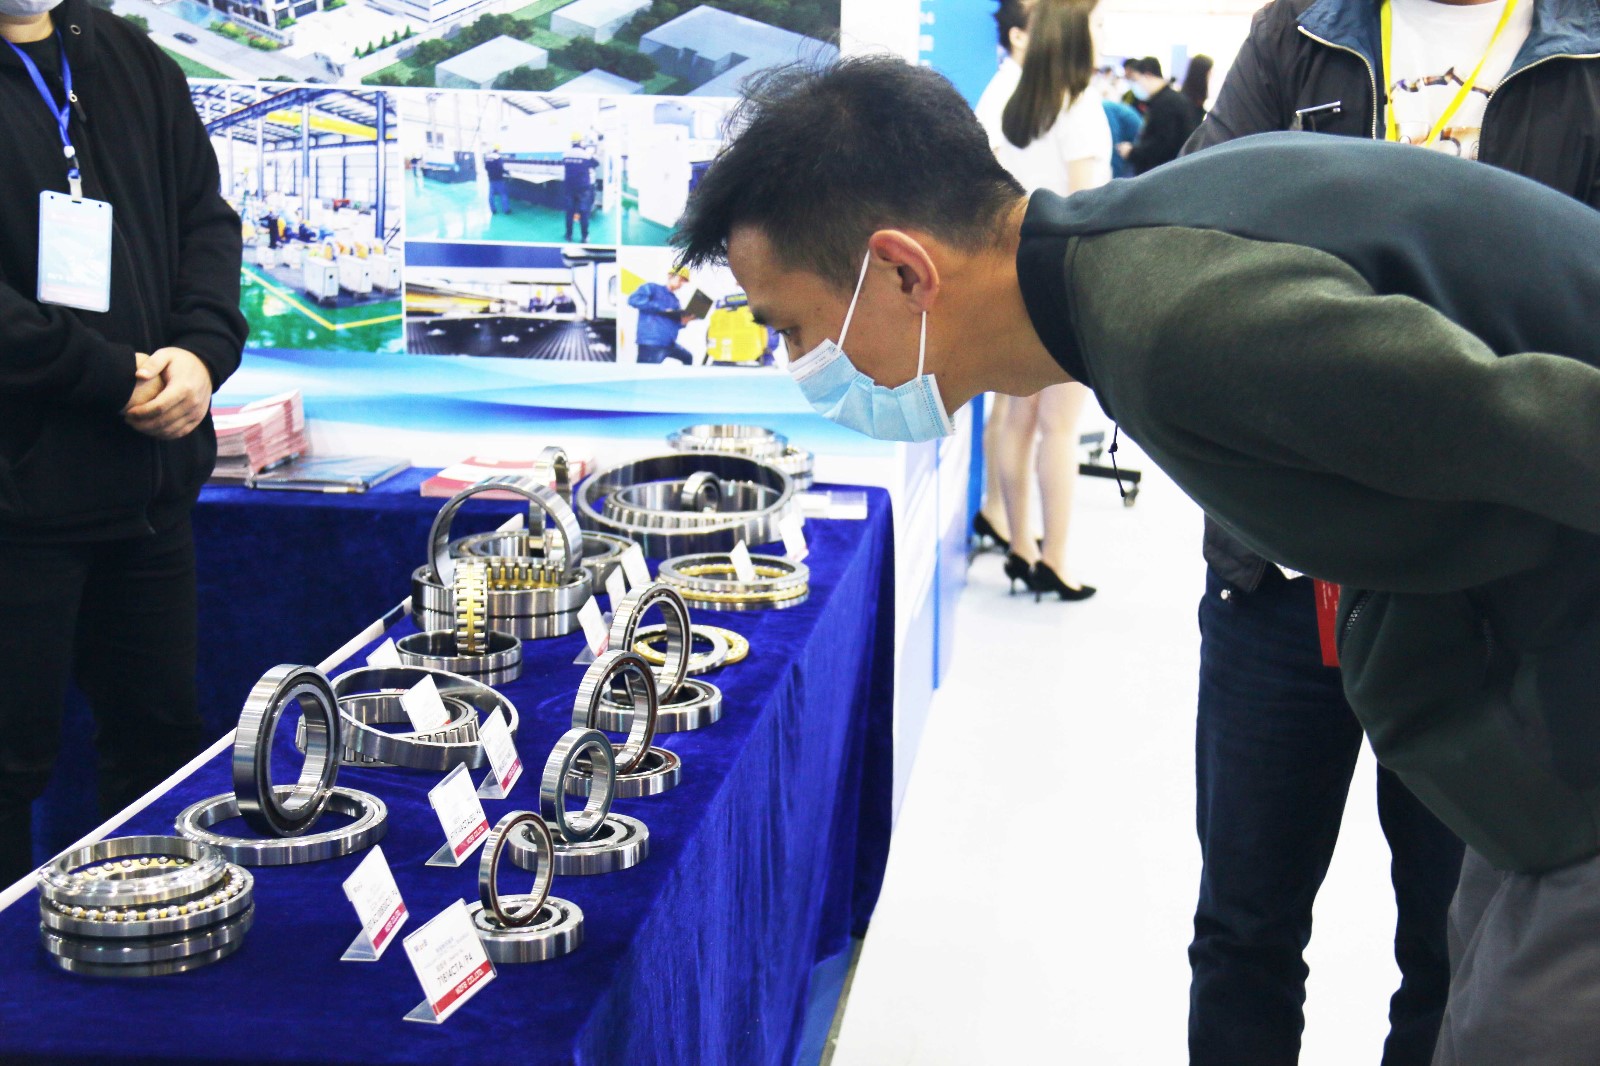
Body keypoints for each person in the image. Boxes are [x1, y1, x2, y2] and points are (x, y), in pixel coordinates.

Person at [674, 55, 1600, 1066]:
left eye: (793, 330)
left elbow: (1543, 425)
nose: (800, 367)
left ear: (904, 272)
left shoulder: (1177, 327)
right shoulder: (1129, 264)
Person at [1178, 1, 1600, 1063]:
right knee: (1241, 929)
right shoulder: (1305, 31)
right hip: (1280, 574)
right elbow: (1185, 221)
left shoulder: (1584, 50)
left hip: (1489, 594)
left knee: (1457, 945)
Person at [0, 0, 246, 883]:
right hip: (15, 508)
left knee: (160, 755)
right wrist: (110, 375)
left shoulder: (126, 57)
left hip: (145, 496)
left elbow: (205, 221)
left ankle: (150, 950)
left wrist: (201, 353)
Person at [988, 0, 1108, 600]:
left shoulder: (1012, 103)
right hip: (1063, 280)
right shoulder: (1077, 106)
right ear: (1076, 33)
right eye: (1097, 22)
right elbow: (1085, 208)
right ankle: (1055, 558)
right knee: (1059, 429)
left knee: (1017, 420)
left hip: (1012, 276)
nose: (1102, 32)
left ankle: (1020, 545)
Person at [970, 0, 1030, 554]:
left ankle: (998, 513)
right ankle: (1010, 527)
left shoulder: (1011, 90)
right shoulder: (1009, 93)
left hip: (1010, 260)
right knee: (1016, 410)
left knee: (1009, 408)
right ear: (1017, 36)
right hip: (1014, 263)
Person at [1116, 56, 1202, 172]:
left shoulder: (1166, 103)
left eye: (1136, 80)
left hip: (1168, 171)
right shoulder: (1167, 99)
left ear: (1148, 75)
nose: (1135, 85)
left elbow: (1162, 145)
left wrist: (1133, 153)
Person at [629, 265, 694, 365]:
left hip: (669, 343)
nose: (681, 284)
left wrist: (684, 322)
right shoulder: (652, 288)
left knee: (688, 357)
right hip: (651, 343)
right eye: (680, 280)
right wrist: (662, 309)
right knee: (647, 373)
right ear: (670, 276)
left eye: (683, 282)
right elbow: (633, 300)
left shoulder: (675, 301)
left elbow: (675, 323)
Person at [562, 133, 599, 243]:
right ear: (581, 142)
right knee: (584, 213)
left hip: (569, 188)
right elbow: (596, 163)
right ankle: (584, 237)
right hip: (583, 189)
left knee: (569, 213)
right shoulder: (586, 155)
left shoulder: (565, 154)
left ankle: (568, 235)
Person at [484, 144, 510, 215]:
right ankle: (506, 210)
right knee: (503, 194)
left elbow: (486, 167)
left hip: (491, 179)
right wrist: (507, 172)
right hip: (499, 179)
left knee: (491, 195)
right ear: (498, 150)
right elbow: (500, 168)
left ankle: (493, 210)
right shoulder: (498, 158)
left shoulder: (488, 157)